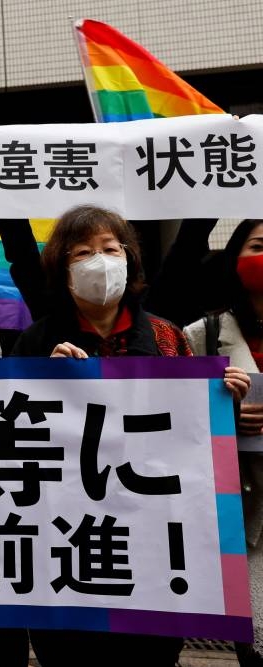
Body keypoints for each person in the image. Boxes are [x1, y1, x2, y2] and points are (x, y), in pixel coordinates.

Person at [10, 205, 249, 667]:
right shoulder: (36, 343)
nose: (99, 261)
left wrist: (222, 400)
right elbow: (9, 440)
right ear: (62, 269)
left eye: (109, 249)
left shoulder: (166, 338)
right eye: (82, 253)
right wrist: (43, 384)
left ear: (129, 260)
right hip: (65, 545)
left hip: (151, 545)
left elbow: (191, 439)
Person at [183, 218, 263, 666]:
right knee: (252, 631)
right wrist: (224, 413)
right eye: (258, 245)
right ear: (236, 256)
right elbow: (177, 419)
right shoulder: (203, 334)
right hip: (239, 510)